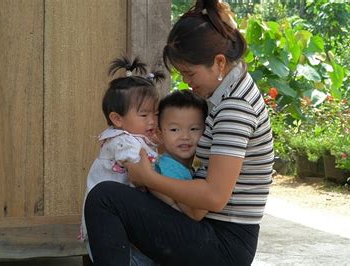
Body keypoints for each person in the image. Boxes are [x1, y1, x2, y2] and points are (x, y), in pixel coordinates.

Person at [84, 0, 274, 265]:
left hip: (224, 244)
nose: (186, 81)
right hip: (212, 231)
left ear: (219, 63)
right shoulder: (228, 92)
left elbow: (214, 197)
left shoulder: (235, 107)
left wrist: (148, 177)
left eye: (189, 72)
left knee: (105, 199)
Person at [79, 56, 164, 265]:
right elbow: (140, 174)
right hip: (111, 224)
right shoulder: (123, 142)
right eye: (144, 115)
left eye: (155, 113)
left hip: (123, 221)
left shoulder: (137, 138)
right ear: (117, 119)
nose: (152, 120)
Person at [150, 90, 208, 220]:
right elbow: (195, 213)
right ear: (160, 134)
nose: (185, 137)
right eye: (174, 129)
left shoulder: (197, 162)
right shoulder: (168, 168)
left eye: (194, 129)